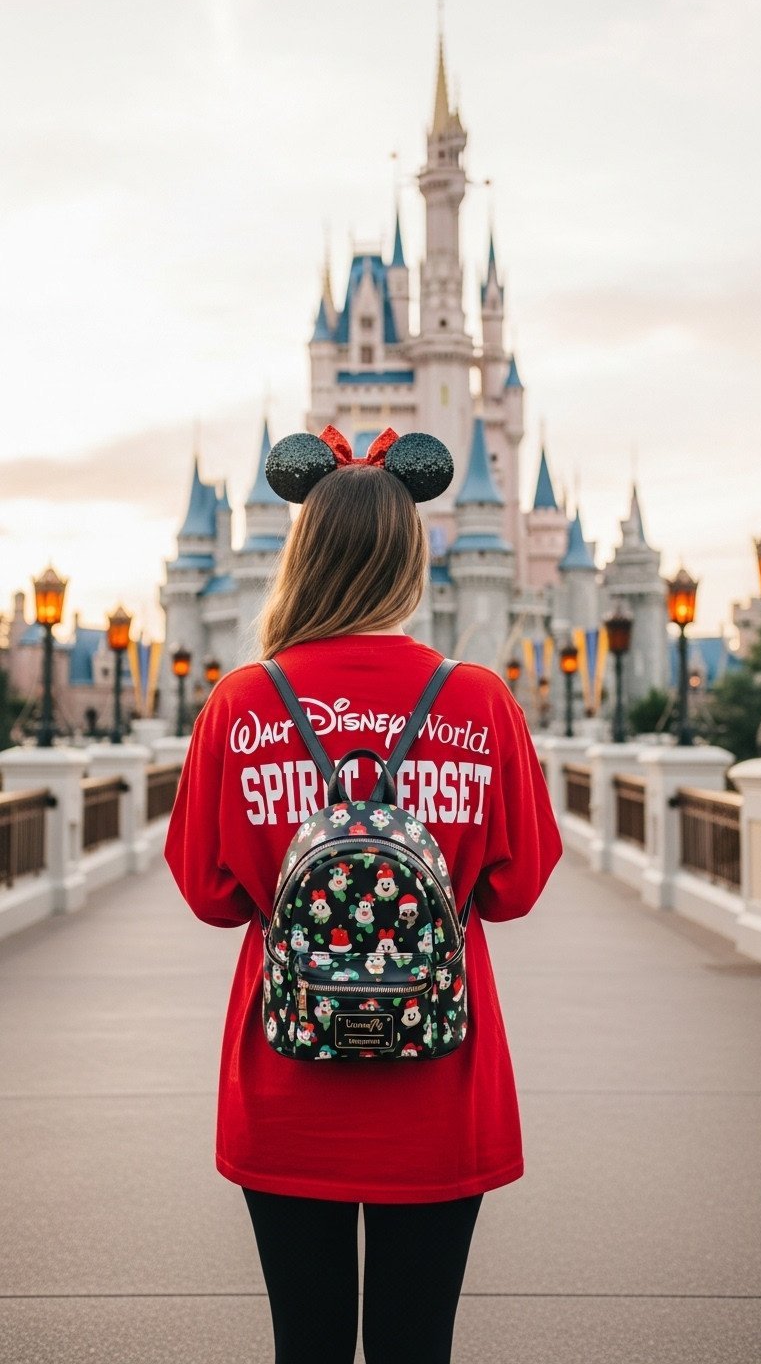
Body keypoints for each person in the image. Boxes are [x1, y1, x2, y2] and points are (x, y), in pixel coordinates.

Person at [165, 426, 562, 1364]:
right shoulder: (479, 701)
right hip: (441, 1082)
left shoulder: (241, 701)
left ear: (301, 555)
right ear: (412, 558)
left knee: (302, 1345)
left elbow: (210, 894)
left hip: (286, 1077)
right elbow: (515, 888)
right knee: (417, 1344)